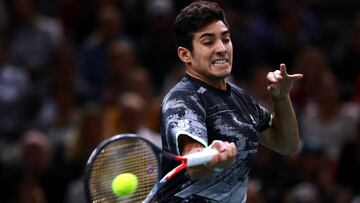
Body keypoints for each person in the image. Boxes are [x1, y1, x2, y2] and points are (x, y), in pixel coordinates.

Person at [159, 1, 303, 202]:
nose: (221, 48)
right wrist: (215, 159)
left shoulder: (240, 98)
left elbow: (287, 145)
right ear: (185, 54)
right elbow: (192, 162)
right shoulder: (183, 99)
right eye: (208, 42)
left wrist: (281, 98)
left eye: (225, 39)